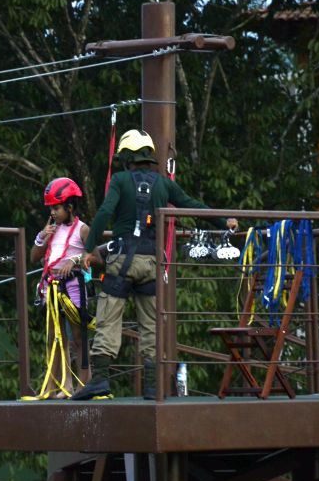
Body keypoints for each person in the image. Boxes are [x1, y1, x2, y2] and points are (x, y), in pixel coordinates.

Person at [72, 129, 238, 400]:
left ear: (127, 157)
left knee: (108, 319)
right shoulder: (163, 184)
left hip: (122, 262)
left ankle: (100, 380)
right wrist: (224, 220)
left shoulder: (120, 180)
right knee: (150, 324)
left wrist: (89, 248)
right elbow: (190, 204)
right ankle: (151, 386)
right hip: (152, 262)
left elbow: (104, 212)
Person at [26, 177, 94, 400]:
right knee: (55, 338)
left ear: (70, 207)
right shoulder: (51, 229)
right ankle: (60, 387)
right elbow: (34, 258)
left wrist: (74, 261)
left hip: (73, 287)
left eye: (56, 208)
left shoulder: (82, 230)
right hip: (51, 288)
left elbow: (97, 258)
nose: (53, 212)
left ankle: (85, 385)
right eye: (51, 209)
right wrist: (41, 238)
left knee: (77, 337)